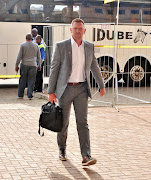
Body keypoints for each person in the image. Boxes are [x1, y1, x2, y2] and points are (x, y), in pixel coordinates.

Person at [47, 18, 105, 166]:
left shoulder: (89, 47)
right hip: (64, 90)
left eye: (80, 28)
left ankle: (86, 156)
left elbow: (95, 67)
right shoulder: (61, 46)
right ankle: (62, 150)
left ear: (84, 31)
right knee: (63, 122)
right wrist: (51, 91)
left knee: (83, 123)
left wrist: (101, 84)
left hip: (81, 90)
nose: (78, 31)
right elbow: (54, 69)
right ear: (71, 30)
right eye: (75, 28)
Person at [15, 33, 41, 100]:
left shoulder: (23, 45)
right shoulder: (36, 46)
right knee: (31, 80)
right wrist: (39, 65)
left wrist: (16, 65)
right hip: (33, 65)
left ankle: (20, 95)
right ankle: (30, 95)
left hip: (24, 65)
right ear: (32, 38)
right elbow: (39, 57)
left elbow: (19, 56)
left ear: (26, 38)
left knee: (22, 80)